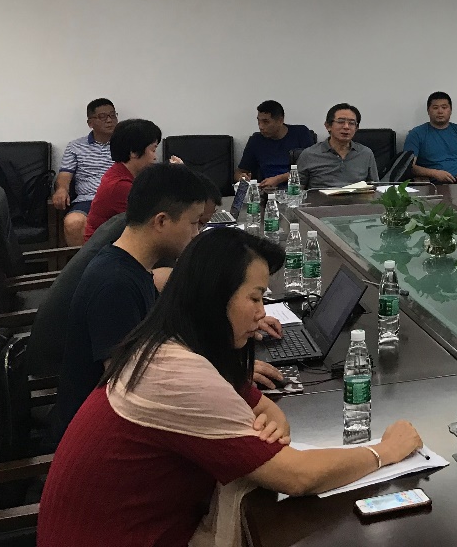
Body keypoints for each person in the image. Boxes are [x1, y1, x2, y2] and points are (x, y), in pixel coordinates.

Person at [38, 226, 422, 547]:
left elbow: (260, 406)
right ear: (214, 296)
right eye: (254, 298)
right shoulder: (178, 374)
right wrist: (385, 451)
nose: (262, 312)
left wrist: (273, 423)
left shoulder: (169, 342)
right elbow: (297, 477)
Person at [51, 165, 285, 445]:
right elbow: (130, 385)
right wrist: (221, 375)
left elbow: (163, 330)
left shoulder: (131, 267)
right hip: (97, 440)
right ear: (161, 221)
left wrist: (239, 319)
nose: (197, 234)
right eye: (194, 223)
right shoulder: (114, 285)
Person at [84, 119, 168, 241]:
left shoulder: (123, 173)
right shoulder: (120, 186)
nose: (155, 157)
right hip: (105, 249)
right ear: (133, 152)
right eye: (153, 150)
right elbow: (152, 222)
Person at [53, 98, 119, 246]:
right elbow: (65, 175)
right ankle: (85, 261)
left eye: (112, 115)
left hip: (119, 197)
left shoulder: (127, 144)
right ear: (90, 123)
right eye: (103, 117)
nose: (109, 120)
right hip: (88, 200)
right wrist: (62, 189)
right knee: (73, 222)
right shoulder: (75, 146)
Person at [404, 92, 457, 184]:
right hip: (433, 184)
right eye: (435, 108)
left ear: (450, 110)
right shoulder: (416, 134)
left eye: (444, 107)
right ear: (428, 110)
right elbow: (408, 166)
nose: (440, 111)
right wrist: (435, 173)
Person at [235, 101, 316, 189]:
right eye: (259, 121)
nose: (261, 126)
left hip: (296, 189)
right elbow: (240, 171)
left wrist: (279, 179)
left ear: (280, 121)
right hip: (267, 190)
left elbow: (312, 167)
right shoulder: (255, 140)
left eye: (266, 122)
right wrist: (241, 178)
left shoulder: (300, 133)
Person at [294, 104, 378, 189]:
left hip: (357, 197)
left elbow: (375, 187)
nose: (346, 127)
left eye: (351, 123)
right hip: (320, 197)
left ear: (356, 128)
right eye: (341, 122)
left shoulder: (366, 153)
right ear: (328, 126)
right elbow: (296, 190)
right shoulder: (309, 155)